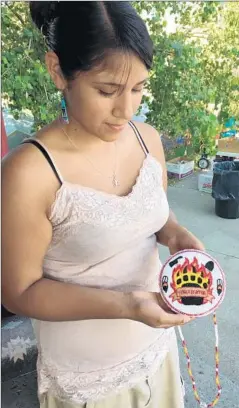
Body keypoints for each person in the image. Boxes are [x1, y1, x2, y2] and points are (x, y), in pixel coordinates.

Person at [1, 2, 204, 407]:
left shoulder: (147, 138)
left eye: (139, 87)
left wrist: (176, 233)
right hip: (88, 377)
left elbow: (154, 217)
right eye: (107, 90)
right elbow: (17, 293)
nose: (125, 110)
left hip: (156, 348)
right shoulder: (29, 172)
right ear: (59, 71)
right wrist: (127, 305)